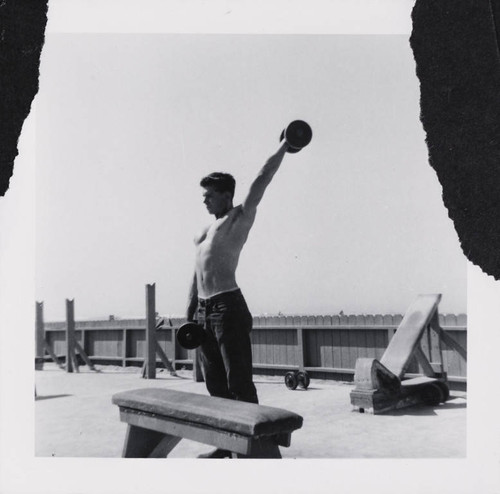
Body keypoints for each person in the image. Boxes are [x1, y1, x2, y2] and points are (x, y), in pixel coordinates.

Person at [186, 141, 289, 458]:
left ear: (226, 195)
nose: (204, 199)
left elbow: (263, 177)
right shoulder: (204, 233)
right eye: (203, 195)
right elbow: (196, 273)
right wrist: (190, 312)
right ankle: (225, 444)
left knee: (238, 384)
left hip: (228, 308)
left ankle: (255, 451)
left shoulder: (238, 218)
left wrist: (285, 145)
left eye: (210, 194)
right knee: (215, 386)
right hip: (204, 313)